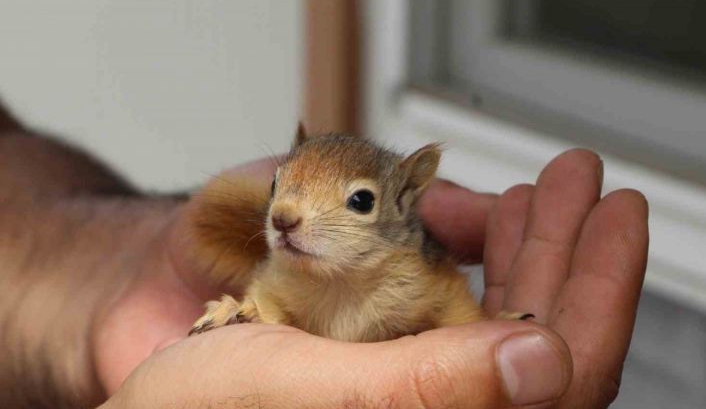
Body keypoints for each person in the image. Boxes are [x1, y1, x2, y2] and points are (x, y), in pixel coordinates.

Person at [0, 103, 648, 409]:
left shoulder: (408, 273)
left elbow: (448, 301)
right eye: (281, 190)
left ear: (403, 199)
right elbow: (270, 300)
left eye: (358, 202)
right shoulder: (283, 272)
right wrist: (242, 312)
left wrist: (487, 338)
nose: (282, 217)